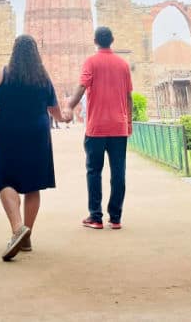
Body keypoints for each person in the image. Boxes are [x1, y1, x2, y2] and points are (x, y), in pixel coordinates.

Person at [0, 34, 66, 260]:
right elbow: (55, 110)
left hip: (9, 133)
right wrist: (66, 116)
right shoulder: (43, 77)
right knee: (32, 186)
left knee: (6, 181)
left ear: (14, 52)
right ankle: (26, 238)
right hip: (37, 135)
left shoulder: (5, 74)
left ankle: (18, 229)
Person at [64, 26, 132, 230]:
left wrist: (69, 106)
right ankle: (116, 218)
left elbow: (81, 87)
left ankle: (95, 217)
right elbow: (129, 97)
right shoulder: (123, 65)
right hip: (119, 127)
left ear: (95, 41)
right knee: (119, 172)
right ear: (113, 39)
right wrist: (128, 122)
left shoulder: (91, 62)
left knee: (94, 171)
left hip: (96, 127)